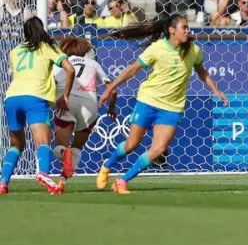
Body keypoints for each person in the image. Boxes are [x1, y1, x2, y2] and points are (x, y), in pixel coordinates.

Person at [96, 14, 229, 194]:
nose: (188, 31)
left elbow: (202, 72)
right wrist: (110, 88)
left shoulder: (194, 51)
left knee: (158, 149)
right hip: (148, 101)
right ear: (172, 30)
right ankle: (107, 165)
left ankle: (122, 181)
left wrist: (216, 90)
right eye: (184, 27)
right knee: (131, 145)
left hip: (172, 108)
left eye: (188, 27)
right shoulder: (157, 49)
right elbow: (132, 69)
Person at [0, 17, 76, 195]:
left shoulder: (15, 51)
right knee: (42, 142)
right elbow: (70, 69)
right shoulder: (48, 47)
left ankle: (3, 182)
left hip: (12, 97)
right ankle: (43, 173)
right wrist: (65, 96)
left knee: (16, 144)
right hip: (35, 97)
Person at [52, 36, 116, 192]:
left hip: (67, 102)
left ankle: (63, 154)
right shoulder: (93, 64)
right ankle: (62, 182)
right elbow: (112, 90)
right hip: (90, 106)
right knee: (77, 147)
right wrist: (111, 108)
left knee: (60, 147)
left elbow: (49, 83)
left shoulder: (60, 64)